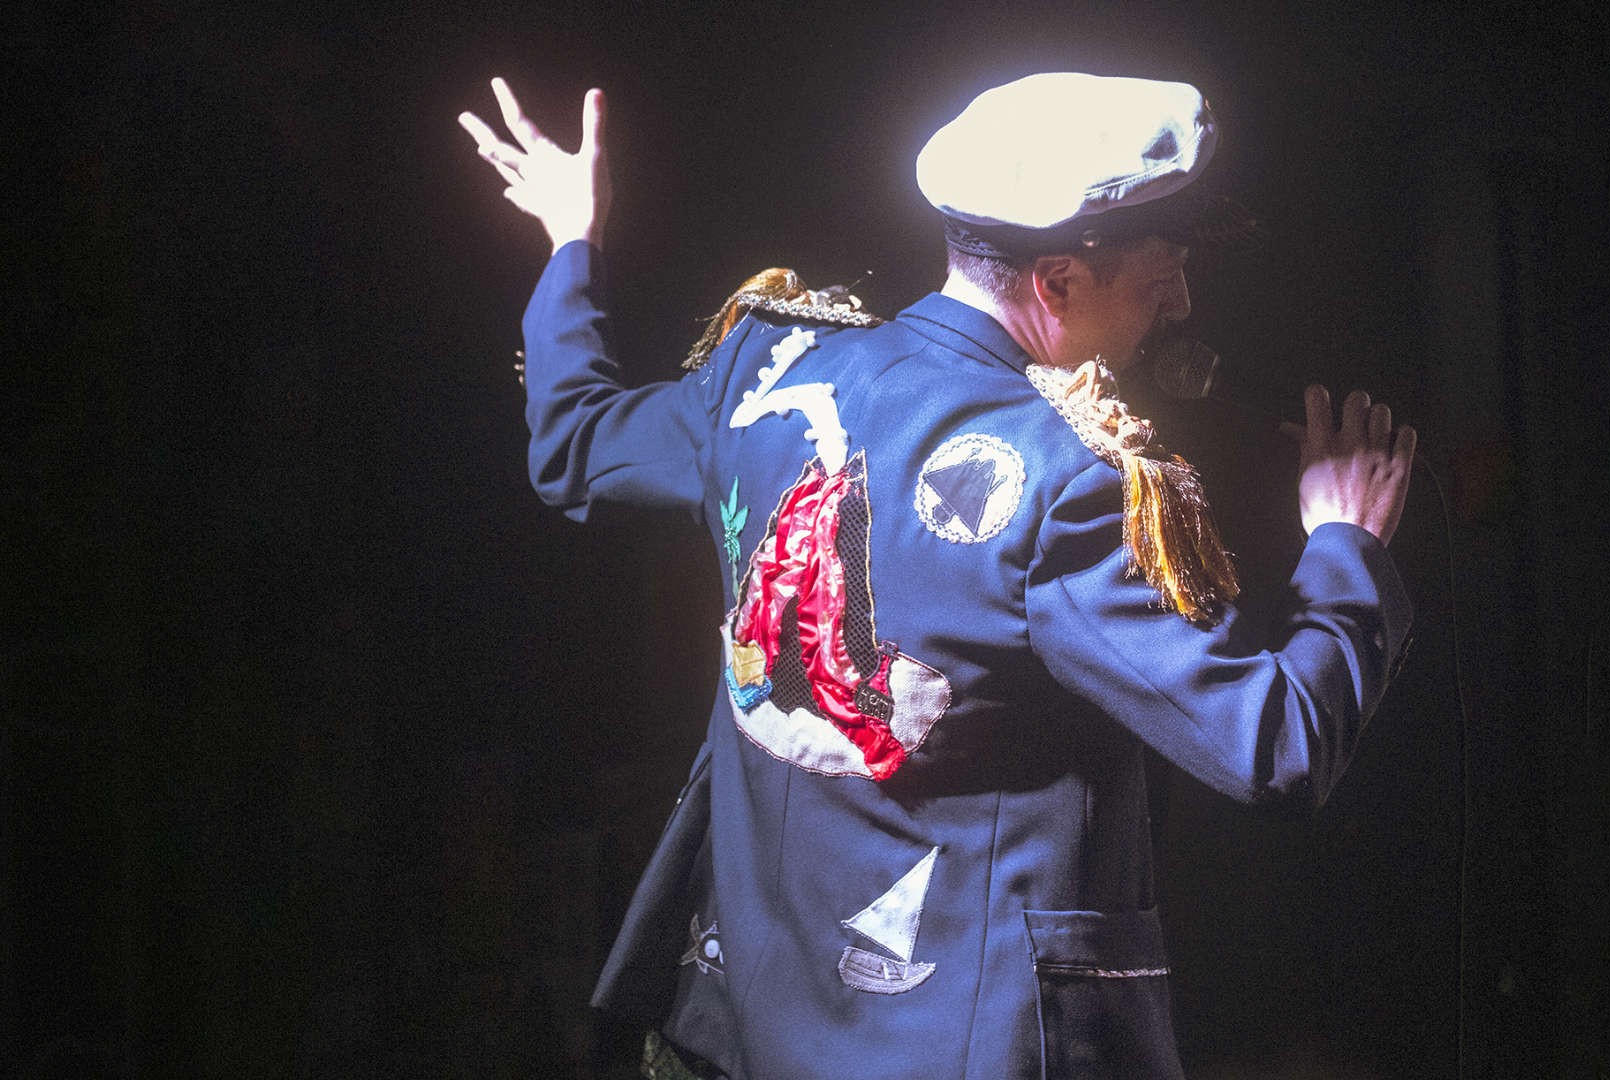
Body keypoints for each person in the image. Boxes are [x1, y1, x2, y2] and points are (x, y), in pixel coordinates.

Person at [460, 71, 1416, 1080]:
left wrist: (572, 241)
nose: (1181, 302)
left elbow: (574, 442)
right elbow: (1276, 744)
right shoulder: (1066, 484)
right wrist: (1344, 543)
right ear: (1057, 282)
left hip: (748, 1035)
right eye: (1162, 271)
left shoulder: (769, 366)